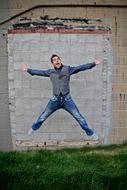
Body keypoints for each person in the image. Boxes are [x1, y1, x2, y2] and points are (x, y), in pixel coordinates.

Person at [20, 54, 102, 141]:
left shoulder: (68, 69)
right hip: (55, 100)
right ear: (52, 63)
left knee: (78, 117)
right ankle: (33, 128)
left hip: (67, 100)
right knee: (43, 116)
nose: (57, 61)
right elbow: (39, 72)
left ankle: (90, 133)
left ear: (60, 61)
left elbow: (80, 68)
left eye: (58, 59)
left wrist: (93, 63)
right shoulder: (50, 72)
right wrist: (28, 70)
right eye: (54, 60)